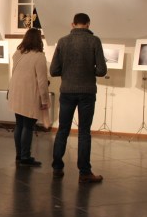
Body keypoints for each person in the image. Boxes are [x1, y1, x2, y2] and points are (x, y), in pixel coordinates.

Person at [50, 13, 107, 183]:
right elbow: (101, 70)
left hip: (67, 91)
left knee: (63, 129)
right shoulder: (94, 41)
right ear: (88, 24)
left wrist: (68, 71)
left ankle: (57, 168)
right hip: (87, 92)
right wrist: (88, 70)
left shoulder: (62, 41)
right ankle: (84, 172)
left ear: (72, 24)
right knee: (84, 132)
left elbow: (53, 70)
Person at [7, 27, 51, 167]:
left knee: (19, 124)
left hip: (16, 93)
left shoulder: (18, 53)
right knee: (28, 126)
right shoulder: (39, 56)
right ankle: (25, 157)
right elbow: (42, 81)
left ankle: (19, 155)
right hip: (29, 94)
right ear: (39, 40)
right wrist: (45, 100)